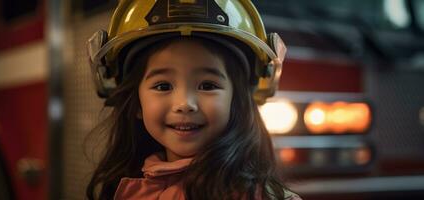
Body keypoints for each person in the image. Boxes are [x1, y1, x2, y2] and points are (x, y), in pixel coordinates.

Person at [86, 0, 299, 199]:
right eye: (163, 86)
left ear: (236, 101)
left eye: (207, 85)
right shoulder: (122, 188)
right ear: (137, 103)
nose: (185, 104)